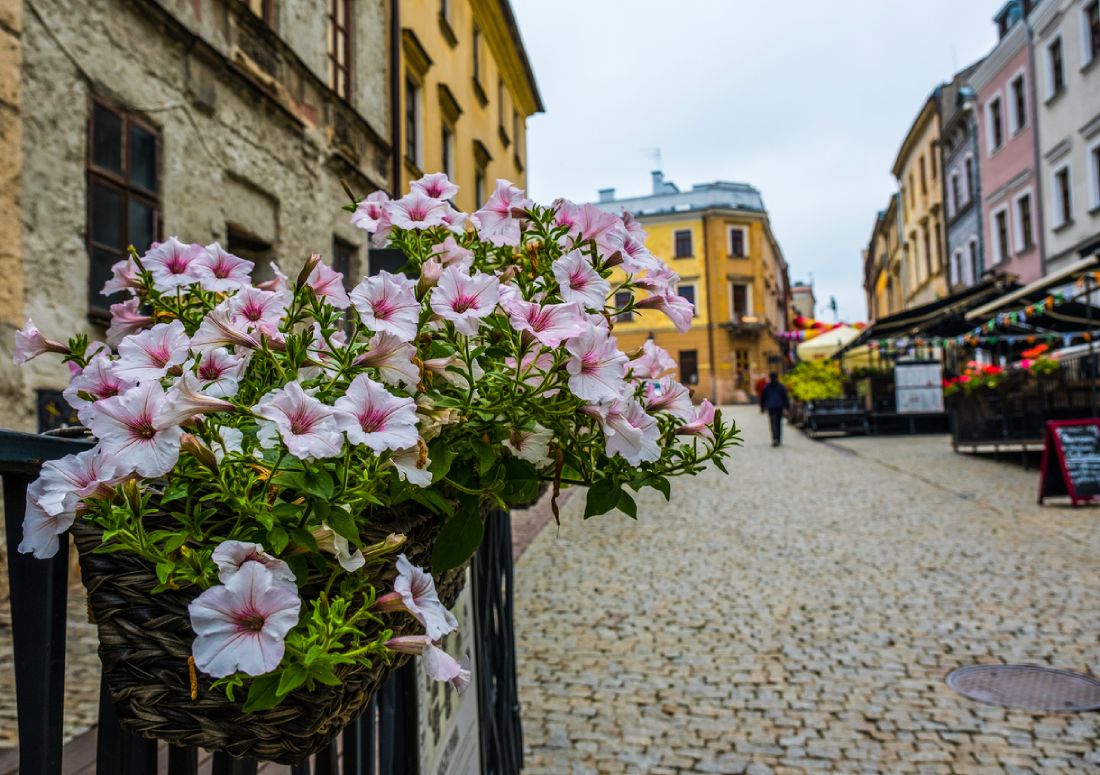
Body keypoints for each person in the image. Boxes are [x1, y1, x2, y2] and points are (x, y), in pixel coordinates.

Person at [759, 372, 790, 447]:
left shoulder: (766, 387)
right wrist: (787, 407)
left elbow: (763, 398)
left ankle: (775, 438)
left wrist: (762, 408)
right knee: (778, 423)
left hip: (771, 407)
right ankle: (778, 439)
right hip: (779, 407)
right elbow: (785, 397)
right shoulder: (781, 386)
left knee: (773, 423)